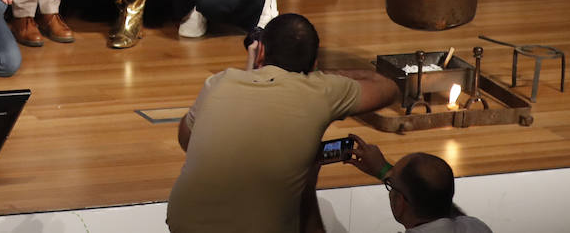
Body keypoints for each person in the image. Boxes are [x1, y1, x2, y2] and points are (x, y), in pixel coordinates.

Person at [167, 13, 399, 233]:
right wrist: (320, 76)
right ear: (314, 63)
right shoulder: (322, 90)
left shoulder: (219, 82)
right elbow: (387, 87)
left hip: (185, 223)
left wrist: (254, 69)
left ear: (261, 52)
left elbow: (186, 140)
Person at [343, 138, 493, 233]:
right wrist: (383, 170)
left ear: (399, 203)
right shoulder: (476, 227)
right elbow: (435, 198)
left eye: (391, 185)